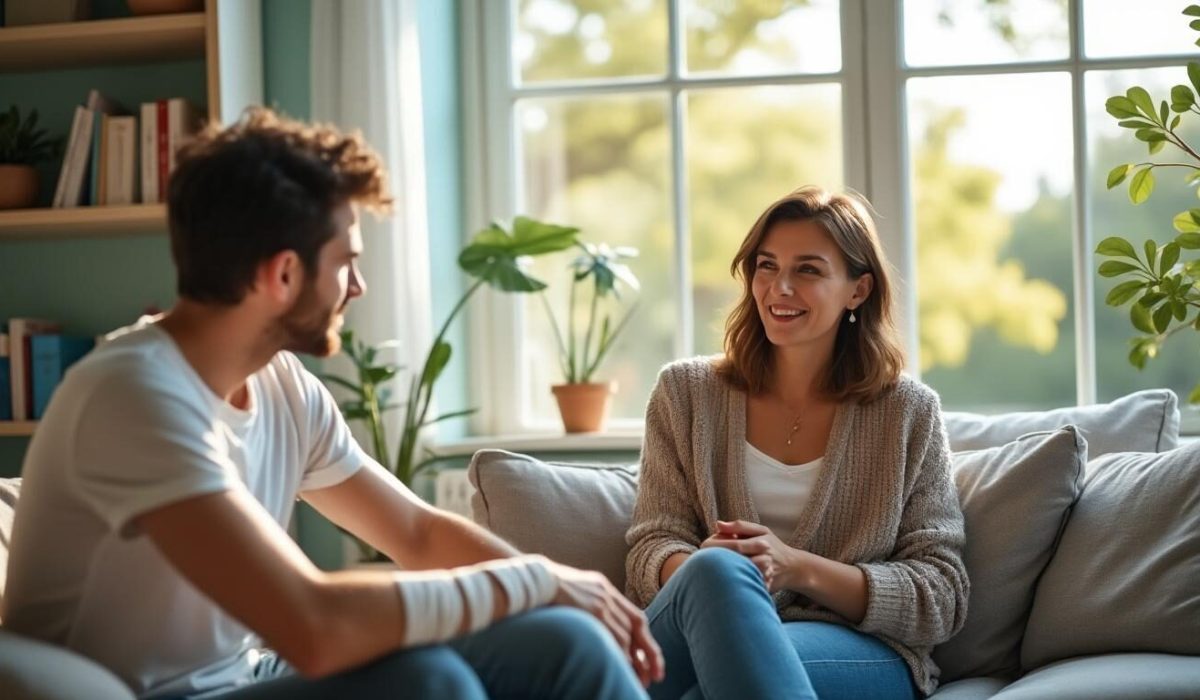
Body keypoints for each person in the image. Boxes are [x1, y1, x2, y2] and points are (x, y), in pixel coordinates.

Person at [3, 108, 661, 700]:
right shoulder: (132, 393)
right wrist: (535, 582)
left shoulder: (282, 384)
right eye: (346, 261)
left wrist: (570, 592)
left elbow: (416, 533)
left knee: (563, 642)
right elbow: (313, 624)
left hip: (250, 675)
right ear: (282, 274)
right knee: (427, 683)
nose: (360, 285)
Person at [625, 185, 968, 699]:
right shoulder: (685, 394)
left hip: (857, 648)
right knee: (715, 571)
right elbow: (651, 546)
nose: (779, 287)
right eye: (767, 266)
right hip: (702, 623)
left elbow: (941, 594)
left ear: (858, 290)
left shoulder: (907, 412)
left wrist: (795, 567)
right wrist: (716, 572)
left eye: (807, 270)